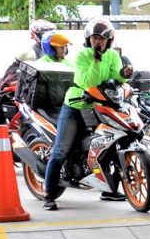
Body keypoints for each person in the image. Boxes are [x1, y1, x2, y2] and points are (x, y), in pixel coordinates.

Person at [41, 17, 132, 210]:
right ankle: (48, 193)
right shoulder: (82, 56)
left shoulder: (113, 55)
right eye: (94, 38)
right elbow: (88, 82)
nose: (98, 42)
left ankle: (109, 189)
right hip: (76, 105)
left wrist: (123, 74)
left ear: (109, 40)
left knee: (109, 143)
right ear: (88, 39)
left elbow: (114, 77)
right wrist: (96, 60)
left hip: (101, 105)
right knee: (61, 149)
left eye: (102, 38)